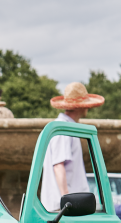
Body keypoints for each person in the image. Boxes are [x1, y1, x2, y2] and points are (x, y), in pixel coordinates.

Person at [41, 81, 105, 212]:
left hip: (62, 206)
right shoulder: (63, 128)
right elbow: (58, 166)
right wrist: (67, 201)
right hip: (62, 208)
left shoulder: (63, 127)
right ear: (80, 107)